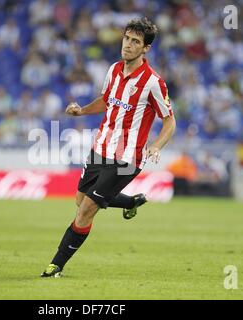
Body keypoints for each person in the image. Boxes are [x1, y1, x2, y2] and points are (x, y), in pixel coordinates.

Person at [41, 18, 176, 277]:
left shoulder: (153, 82)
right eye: (127, 38)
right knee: (80, 200)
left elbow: (170, 121)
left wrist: (157, 145)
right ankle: (130, 202)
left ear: (146, 48)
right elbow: (107, 100)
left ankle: (55, 265)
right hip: (101, 148)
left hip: (128, 157)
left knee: (86, 210)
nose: (128, 44)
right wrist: (81, 111)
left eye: (136, 41)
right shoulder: (114, 69)